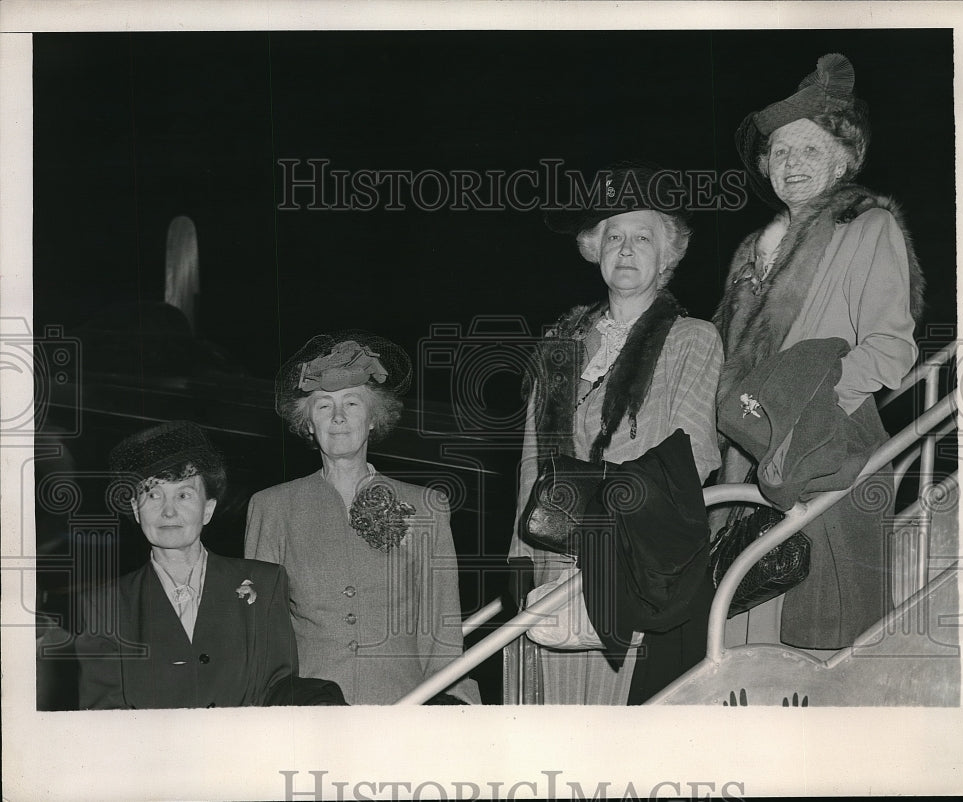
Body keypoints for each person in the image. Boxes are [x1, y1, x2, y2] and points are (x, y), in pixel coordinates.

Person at [713, 54, 923, 650]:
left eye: (810, 148)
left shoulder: (866, 226)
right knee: (743, 643)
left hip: (826, 452)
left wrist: (805, 414)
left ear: (843, 159)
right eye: (780, 152)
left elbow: (890, 348)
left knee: (822, 634)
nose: (792, 163)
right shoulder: (752, 253)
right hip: (748, 460)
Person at [508, 165, 724, 704]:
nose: (626, 250)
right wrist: (522, 558)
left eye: (642, 238)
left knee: (623, 720)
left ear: (667, 255)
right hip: (555, 555)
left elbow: (693, 455)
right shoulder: (559, 347)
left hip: (636, 558)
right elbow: (532, 464)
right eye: (613, 236)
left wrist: (607, 520)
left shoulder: (692, 339)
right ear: (594, 249)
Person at [244, 332, 480, 705]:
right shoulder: (271, 507)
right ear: (308, 424)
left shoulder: (426, 506)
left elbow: (441, 629)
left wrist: (450, 705)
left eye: (352, 404)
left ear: (372, 419)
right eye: (324, 406)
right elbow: (260, 631)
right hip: (308, 708)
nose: (338, 417)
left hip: (402, 706)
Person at [76, 420, 346, 709]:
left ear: (207, 509)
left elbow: (277, 687)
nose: (168, 511)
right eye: (153, 494)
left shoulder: (265, 583)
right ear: (135, 509)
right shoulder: (103, 607)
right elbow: (103, 717)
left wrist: (319, 702)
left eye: (183, 495)